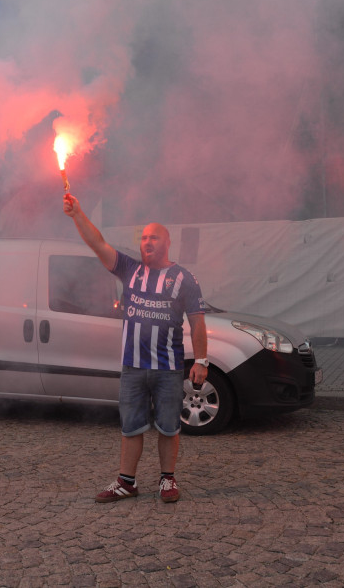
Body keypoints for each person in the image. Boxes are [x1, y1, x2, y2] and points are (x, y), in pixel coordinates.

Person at [63, 194, 208, 503]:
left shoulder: (183, 278)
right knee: (131, 427)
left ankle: (167, 480)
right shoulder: (129, 269)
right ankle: (126, 482)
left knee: (169, 427)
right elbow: (98, 243)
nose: (147, 242)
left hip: (168, 367)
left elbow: (197, 322)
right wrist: (77, 214)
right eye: (143, 238)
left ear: (167, 242)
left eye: (153, 237)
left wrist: (202, 360)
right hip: (132, 367)